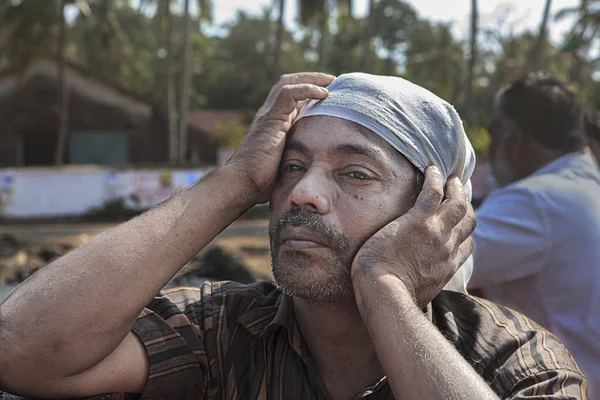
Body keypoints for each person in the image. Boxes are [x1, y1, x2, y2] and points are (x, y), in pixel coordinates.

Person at [0, 73, 587, 400]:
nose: (304, 192)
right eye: (291, 166)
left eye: (355, 173)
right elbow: (23, 351)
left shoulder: (517, 360)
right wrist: (232, 182)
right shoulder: (221, 333)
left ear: (434, 210)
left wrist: (385, 289)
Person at [469, 72, 600, 397]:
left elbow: (430, 255)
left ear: (513, 137)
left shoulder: (537, 200)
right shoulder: (582, 189)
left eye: (494, 131)